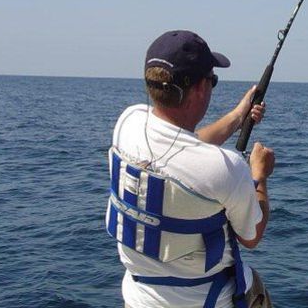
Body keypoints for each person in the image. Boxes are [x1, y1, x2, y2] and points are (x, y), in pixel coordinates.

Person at [106, 30, 275, 308]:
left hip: (139, 298)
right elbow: (251, 236)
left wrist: (237, 116)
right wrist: (259, 174)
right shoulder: (227, 169)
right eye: (213, 80)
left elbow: (183, 150)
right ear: (200, 88)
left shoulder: (127, 124)